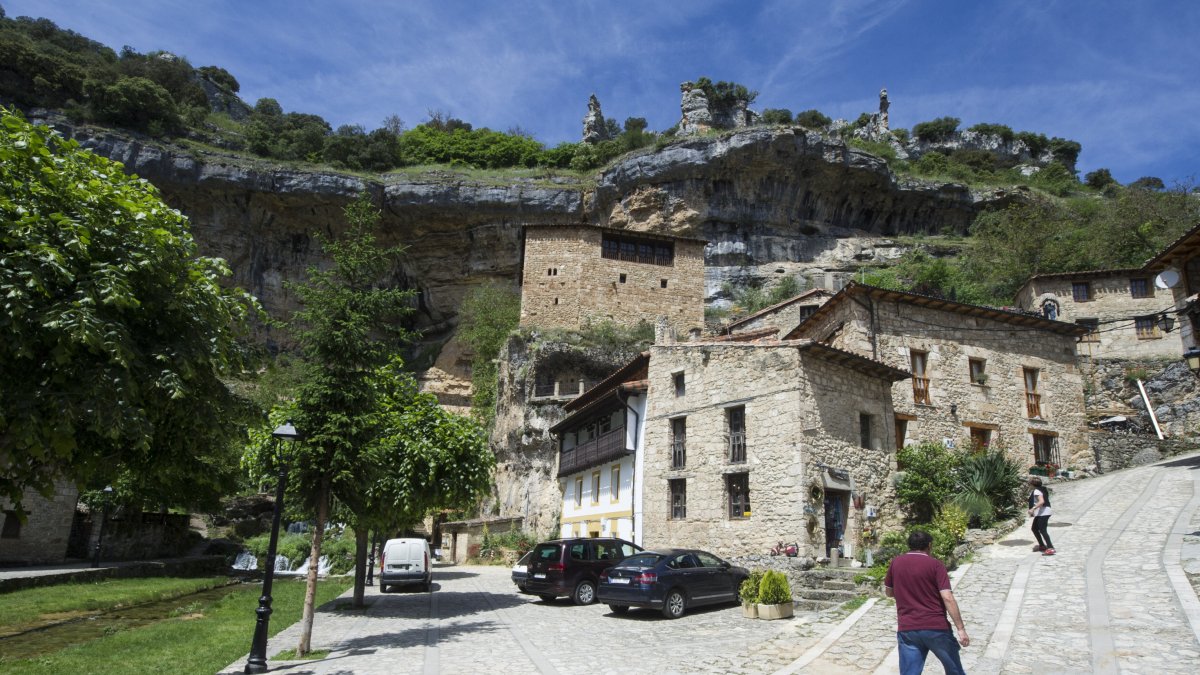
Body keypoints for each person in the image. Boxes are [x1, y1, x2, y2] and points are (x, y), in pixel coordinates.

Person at [884, 530, 969, 675]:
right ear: (929, 545)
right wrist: (960, 628)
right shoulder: (935, 565)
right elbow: (947, 597)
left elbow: (889, 592)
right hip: (936, 627)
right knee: (954, 670)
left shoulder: (896, 562)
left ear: (909, 545)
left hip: (908, 628)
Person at [1028, 476, 1055, 555]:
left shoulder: (1036, 491)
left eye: (1029, 484)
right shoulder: (1042, 489)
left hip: (1044, 513)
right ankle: (1042, 545)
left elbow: (1041, 501)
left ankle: (1050, 548)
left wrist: (1033, 508)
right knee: (1034, 528)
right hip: (1042, 512)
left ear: (1032, 484)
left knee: (1043, 530)